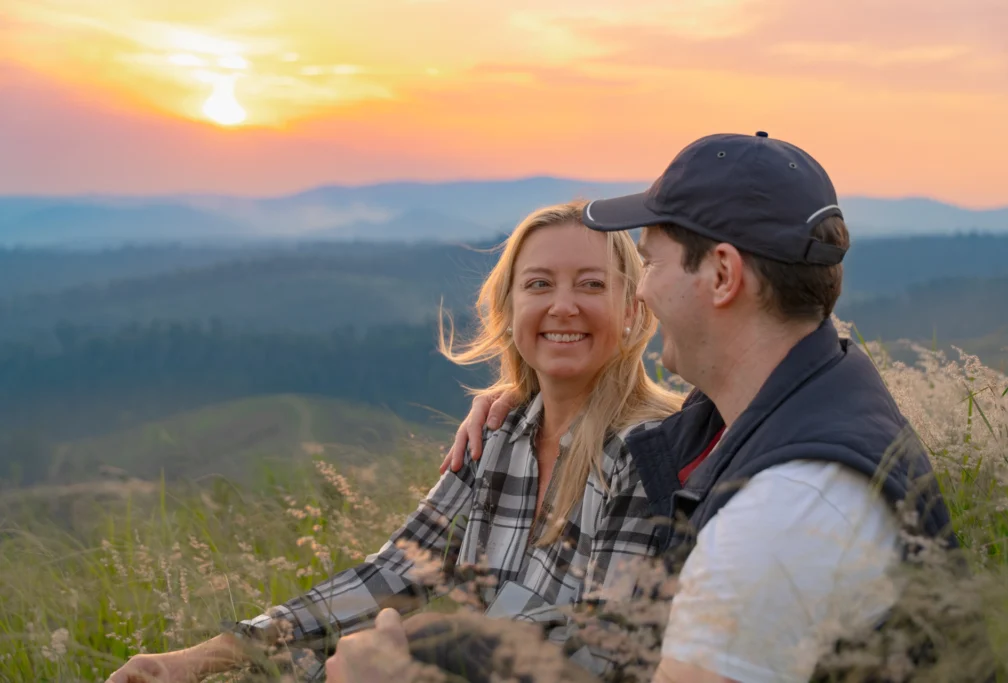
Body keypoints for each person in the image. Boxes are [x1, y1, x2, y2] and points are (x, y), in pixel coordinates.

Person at [327, 132, 968, 683]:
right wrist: (529, 390)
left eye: (652, 262)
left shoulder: (779, 516)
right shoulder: (798, 400)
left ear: (722, 275)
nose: (644, 290)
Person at [104, 200, 685, 683]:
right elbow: (393, 576)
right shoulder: (500, 436)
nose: (563, 305)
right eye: (539, 285)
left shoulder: (644, 451)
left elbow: (602, 656)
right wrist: (200, 659)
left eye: (591, 284)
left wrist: (411, 652)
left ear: (634, 311)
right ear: (509, 312)